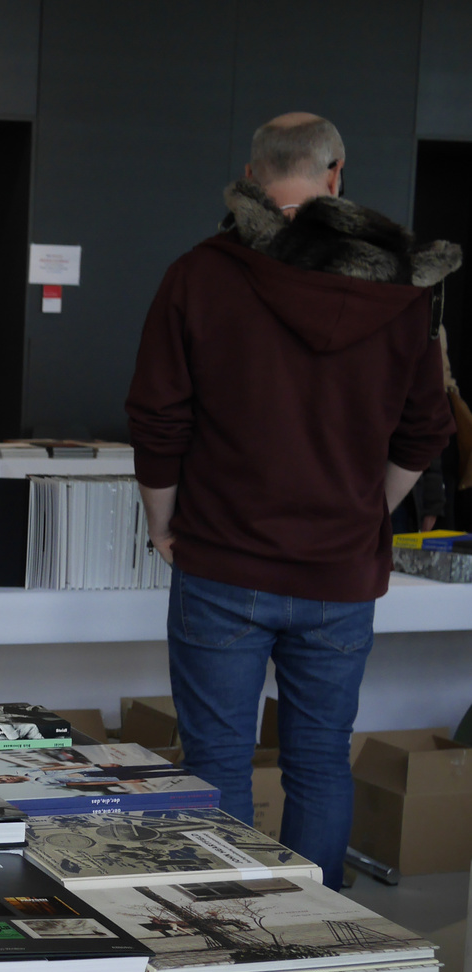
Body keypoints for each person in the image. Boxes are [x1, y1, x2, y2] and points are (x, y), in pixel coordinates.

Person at [126, 112, 458, 888]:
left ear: (251, 174)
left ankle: (225, 939)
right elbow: (423, 433)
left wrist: (160, 524)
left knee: (215, 763)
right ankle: (314, 951)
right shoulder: (403, 295)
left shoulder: (199, 274)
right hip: (337, 574)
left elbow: (156, 416)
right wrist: (366, 511)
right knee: (318, 763)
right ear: (335, 174)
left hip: (221, 562)